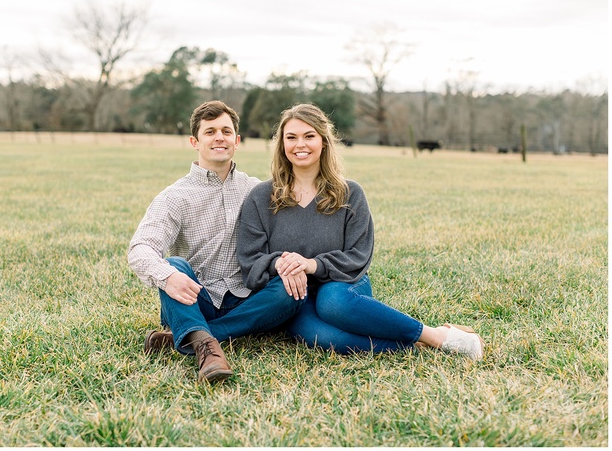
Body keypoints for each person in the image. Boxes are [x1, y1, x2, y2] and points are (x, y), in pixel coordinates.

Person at [237, 103, 484, 360]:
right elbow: (250, 262)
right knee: (323, 337)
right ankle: (416, 345)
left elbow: (359, 256)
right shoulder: (261, 197)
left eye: (309, 136)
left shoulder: (350, 193)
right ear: (282, 145)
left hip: (343, 284)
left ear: (323, 141)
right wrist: (283, 264)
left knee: (333, 304)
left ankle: (435, 336)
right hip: (294, 295)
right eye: (292, 137)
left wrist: (311, 265)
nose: (300, 144)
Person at [128, 101, 305, 383]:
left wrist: (291, 261)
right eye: (210, 132)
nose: (219, 137)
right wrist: (168, 276)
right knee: (173, 265)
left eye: (226, 131)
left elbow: (288, 233)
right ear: (194, 142)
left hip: (247, 298)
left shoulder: (258, 190)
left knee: (289, 290)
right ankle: (206, 350)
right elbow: (141, 249)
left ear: (237, 141)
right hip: (195, 298)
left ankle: (191, 334)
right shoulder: (175, 197)